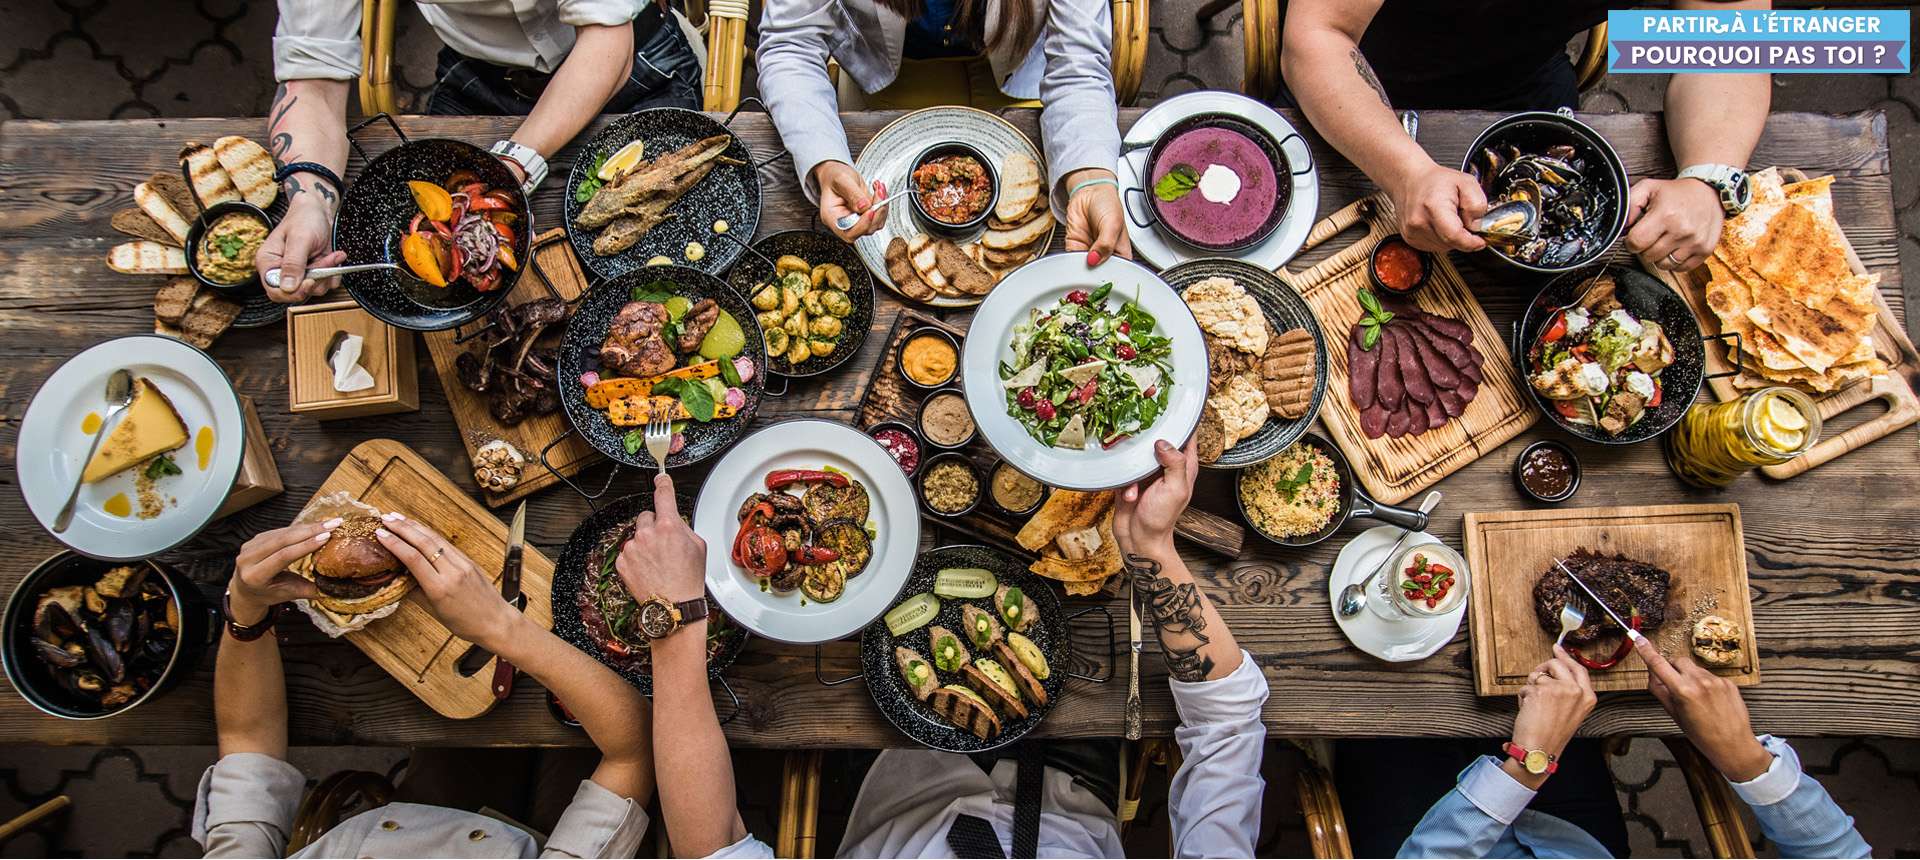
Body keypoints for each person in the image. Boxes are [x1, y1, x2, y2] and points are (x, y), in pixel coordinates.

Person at [615, 442, 1268, 857]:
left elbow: (711, 846)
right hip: (1078, 783)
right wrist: (1151, 549)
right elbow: (1228, 724)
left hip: (899, 777)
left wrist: (674, 619)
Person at [195, 514, 658, 857]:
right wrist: (499, 627)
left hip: (411, 816)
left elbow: (247, 739)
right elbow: (633, 748)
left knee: (466, 745)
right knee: (568, 749)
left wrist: (246, 610)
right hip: (556, 834)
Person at [1280, 0, 1771, 273]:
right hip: (1355, 80)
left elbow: (1732, 38)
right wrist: (1408, 173)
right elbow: (1318, 36)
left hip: (1525, 80)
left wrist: (1709, 176)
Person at [260, 0, 703, 302]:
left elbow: (608, 42)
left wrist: (511, 167)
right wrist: (310, 202)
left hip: (629, 61)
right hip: (480, 77)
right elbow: (311, 81)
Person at [1390, 637, 1869, 858]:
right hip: (1573, 842)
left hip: (1414, 842)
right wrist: (1744, 759)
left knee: (1396, 712)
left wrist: (1529, 765)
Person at [756, 0, 1131, 264]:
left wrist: (1089, 179)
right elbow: (791, 46)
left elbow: (1078, 65)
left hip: (1016, 73)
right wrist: (826, 161)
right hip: (886, 76)